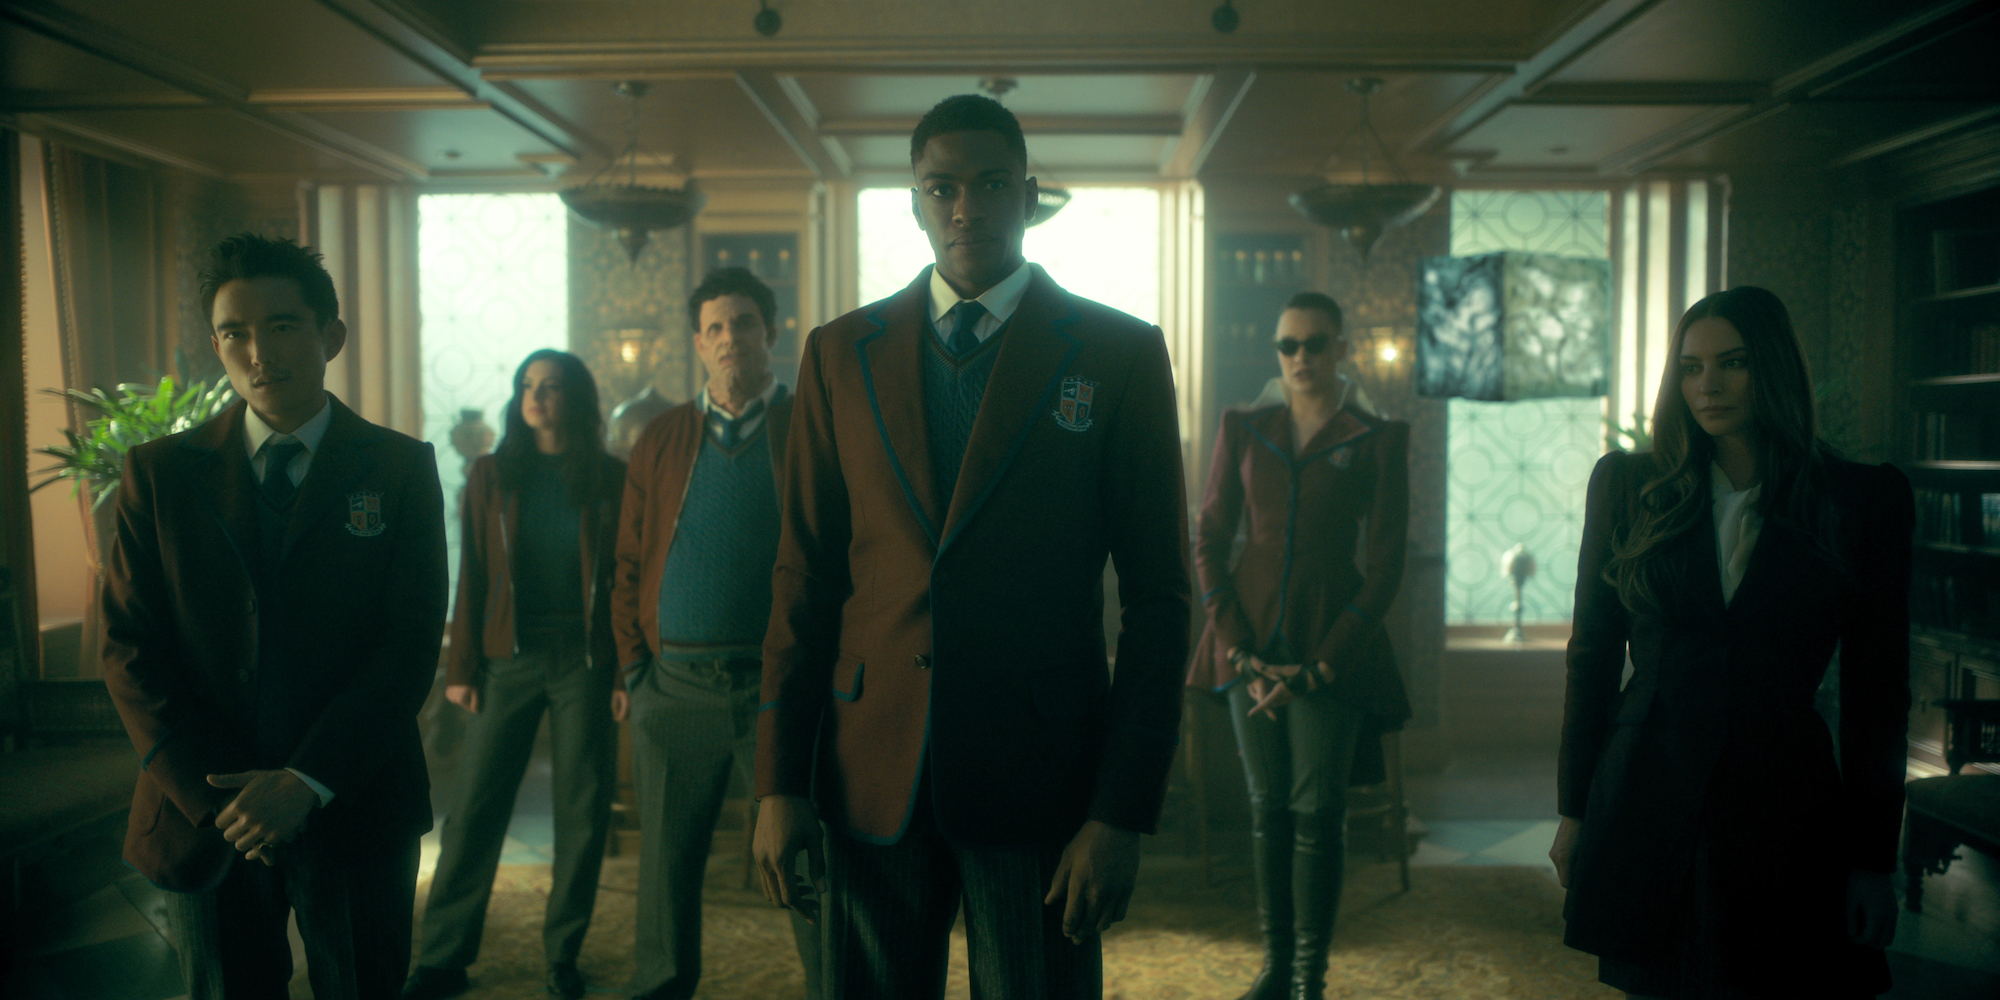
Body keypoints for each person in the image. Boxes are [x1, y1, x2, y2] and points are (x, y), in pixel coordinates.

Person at [750, 94, 1191, 999]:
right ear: (914, 202)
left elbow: (1159, 600)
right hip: (871, 769)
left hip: (1042, 780)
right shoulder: (840, 353)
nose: (966, 207)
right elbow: (804, 575)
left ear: (1028, 196)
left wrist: (1122, 811)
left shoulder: (1117, 353)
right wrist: (777, 782)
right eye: (941, 188)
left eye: (991, 185)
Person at [101, 233, 447, 998]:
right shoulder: (158, 475)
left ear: (331, 335)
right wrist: (218, 799)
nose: (259, 353)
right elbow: (130, 649)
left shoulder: (399, 469)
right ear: (216, 345)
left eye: (282, 326)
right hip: (208, 817)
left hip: (355, 802)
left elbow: (408, 644)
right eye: (235, 333)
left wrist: (306, 780)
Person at [1548, 286, 1911, 999]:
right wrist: (1574, 810)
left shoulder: (1858, 499)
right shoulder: (1630, 486)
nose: (1706, 385)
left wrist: (1873, 859)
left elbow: (1878, 691)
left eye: (1732, 363)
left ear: (1772, 367)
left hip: (1783, 797)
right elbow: (1591, 656)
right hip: (1647, 788)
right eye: (1690, 367)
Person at [1186, 292, 1412, 1000]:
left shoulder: (1375, 437)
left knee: (1317, 813)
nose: (1301, 357)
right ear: (1276, 352)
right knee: (1267, 809)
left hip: (1330, 646)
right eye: (1288, 345)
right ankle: (1275, 969)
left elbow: (1385, 568)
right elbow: (1209, 539)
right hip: (1247, 642)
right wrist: (1237, 647)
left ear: (1340, 349)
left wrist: (1322, 665)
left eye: (1316, 343)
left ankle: (1310, 977)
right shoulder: (1245, 426)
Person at [610, 267, 822, 1000]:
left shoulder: (810, 425)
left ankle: (834, 985)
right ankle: (661, 986)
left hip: (782, 692)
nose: (731, 337)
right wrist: (635, 672)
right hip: (674, 692)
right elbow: (628, 560)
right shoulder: (662, 435)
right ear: (699, 344)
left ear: (771, 333)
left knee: (804, 859)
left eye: (744, 323)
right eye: (715, 327)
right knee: (666, 870)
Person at [401, 350, 624, 1000]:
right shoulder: (492, 473)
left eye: (551, 387)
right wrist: (463, 666)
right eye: (528, 385)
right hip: (508, 659)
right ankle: (443, 958)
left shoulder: (611, 476)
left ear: (576, 398)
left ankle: (562, 956)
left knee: (582, 815)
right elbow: (473, 571)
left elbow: (628, 579)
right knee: (474, 810)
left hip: (585, 661)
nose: (537, 396)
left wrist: (622, 670)